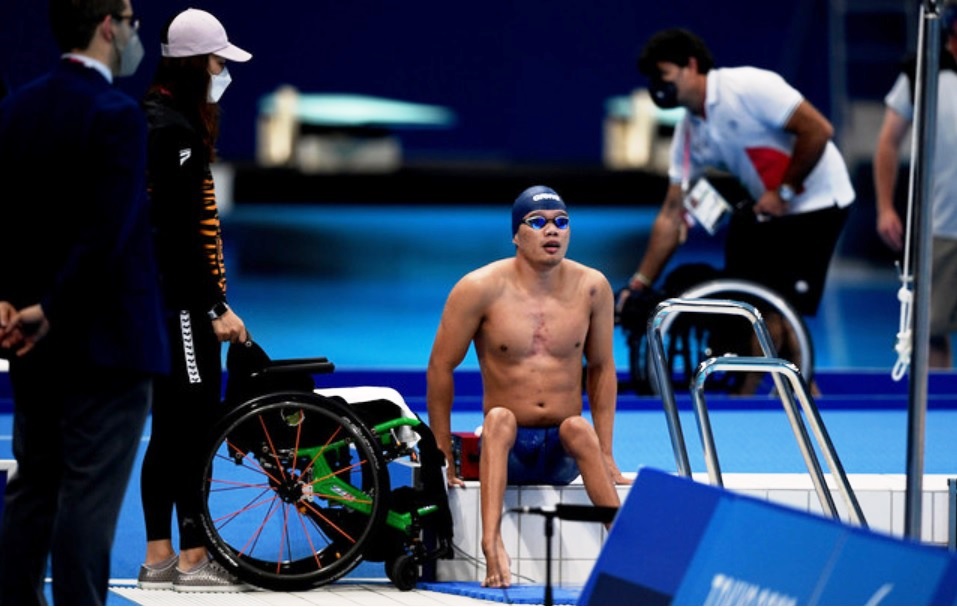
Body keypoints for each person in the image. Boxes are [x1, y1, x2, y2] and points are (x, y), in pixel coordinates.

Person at [0, 0, 170, 604]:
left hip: (32, 343)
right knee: (87, 501)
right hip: (108, 346)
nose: (135, 33)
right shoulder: (116, 115)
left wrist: (9, 301)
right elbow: (108, 233)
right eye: (131, 21)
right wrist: (50, 309)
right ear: (108, 26)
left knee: (33, 488)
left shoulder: (16, 108)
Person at [426, 185, 631, 589]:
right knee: (498, 419)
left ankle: (624, 547)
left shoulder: (593, 287)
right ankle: (491, 544)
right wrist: (440, 450)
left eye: (561, 222)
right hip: (509, 448)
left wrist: (606, 452)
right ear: (516, 236)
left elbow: (602, 368)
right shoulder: (479, 288)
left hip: (562, 453)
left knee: (579, 427)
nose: (551, 231)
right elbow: (440, 367)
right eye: (537, 222)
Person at [618, 29, 855, 342]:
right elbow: (671, 214)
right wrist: (640, 282)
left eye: (663, 75)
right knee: (752, 302)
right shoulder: (689, 134)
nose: (657, 86)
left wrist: (783, 191)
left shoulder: (748, 87)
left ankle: (770, 372)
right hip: (773, 212)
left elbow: (818, 130)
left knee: (777, 306)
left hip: (820, 202)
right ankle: (762, 369)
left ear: (691, 65)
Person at [135, 8, 251, 593]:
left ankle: (159, 557)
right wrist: (213, 308)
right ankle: (192, 557)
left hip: (168, 301)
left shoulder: (160, 117)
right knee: (193, 427)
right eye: (217, 60)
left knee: (170, 427)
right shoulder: (172, 130)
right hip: (180, 304)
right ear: (194, 63)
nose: (222, 70)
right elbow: (176, 235)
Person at [873, 2, 957, 369]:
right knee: (930, 330)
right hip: (940, 226)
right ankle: (935, 400)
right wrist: (885, 207)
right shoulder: (921, 72)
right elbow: (888, 142)